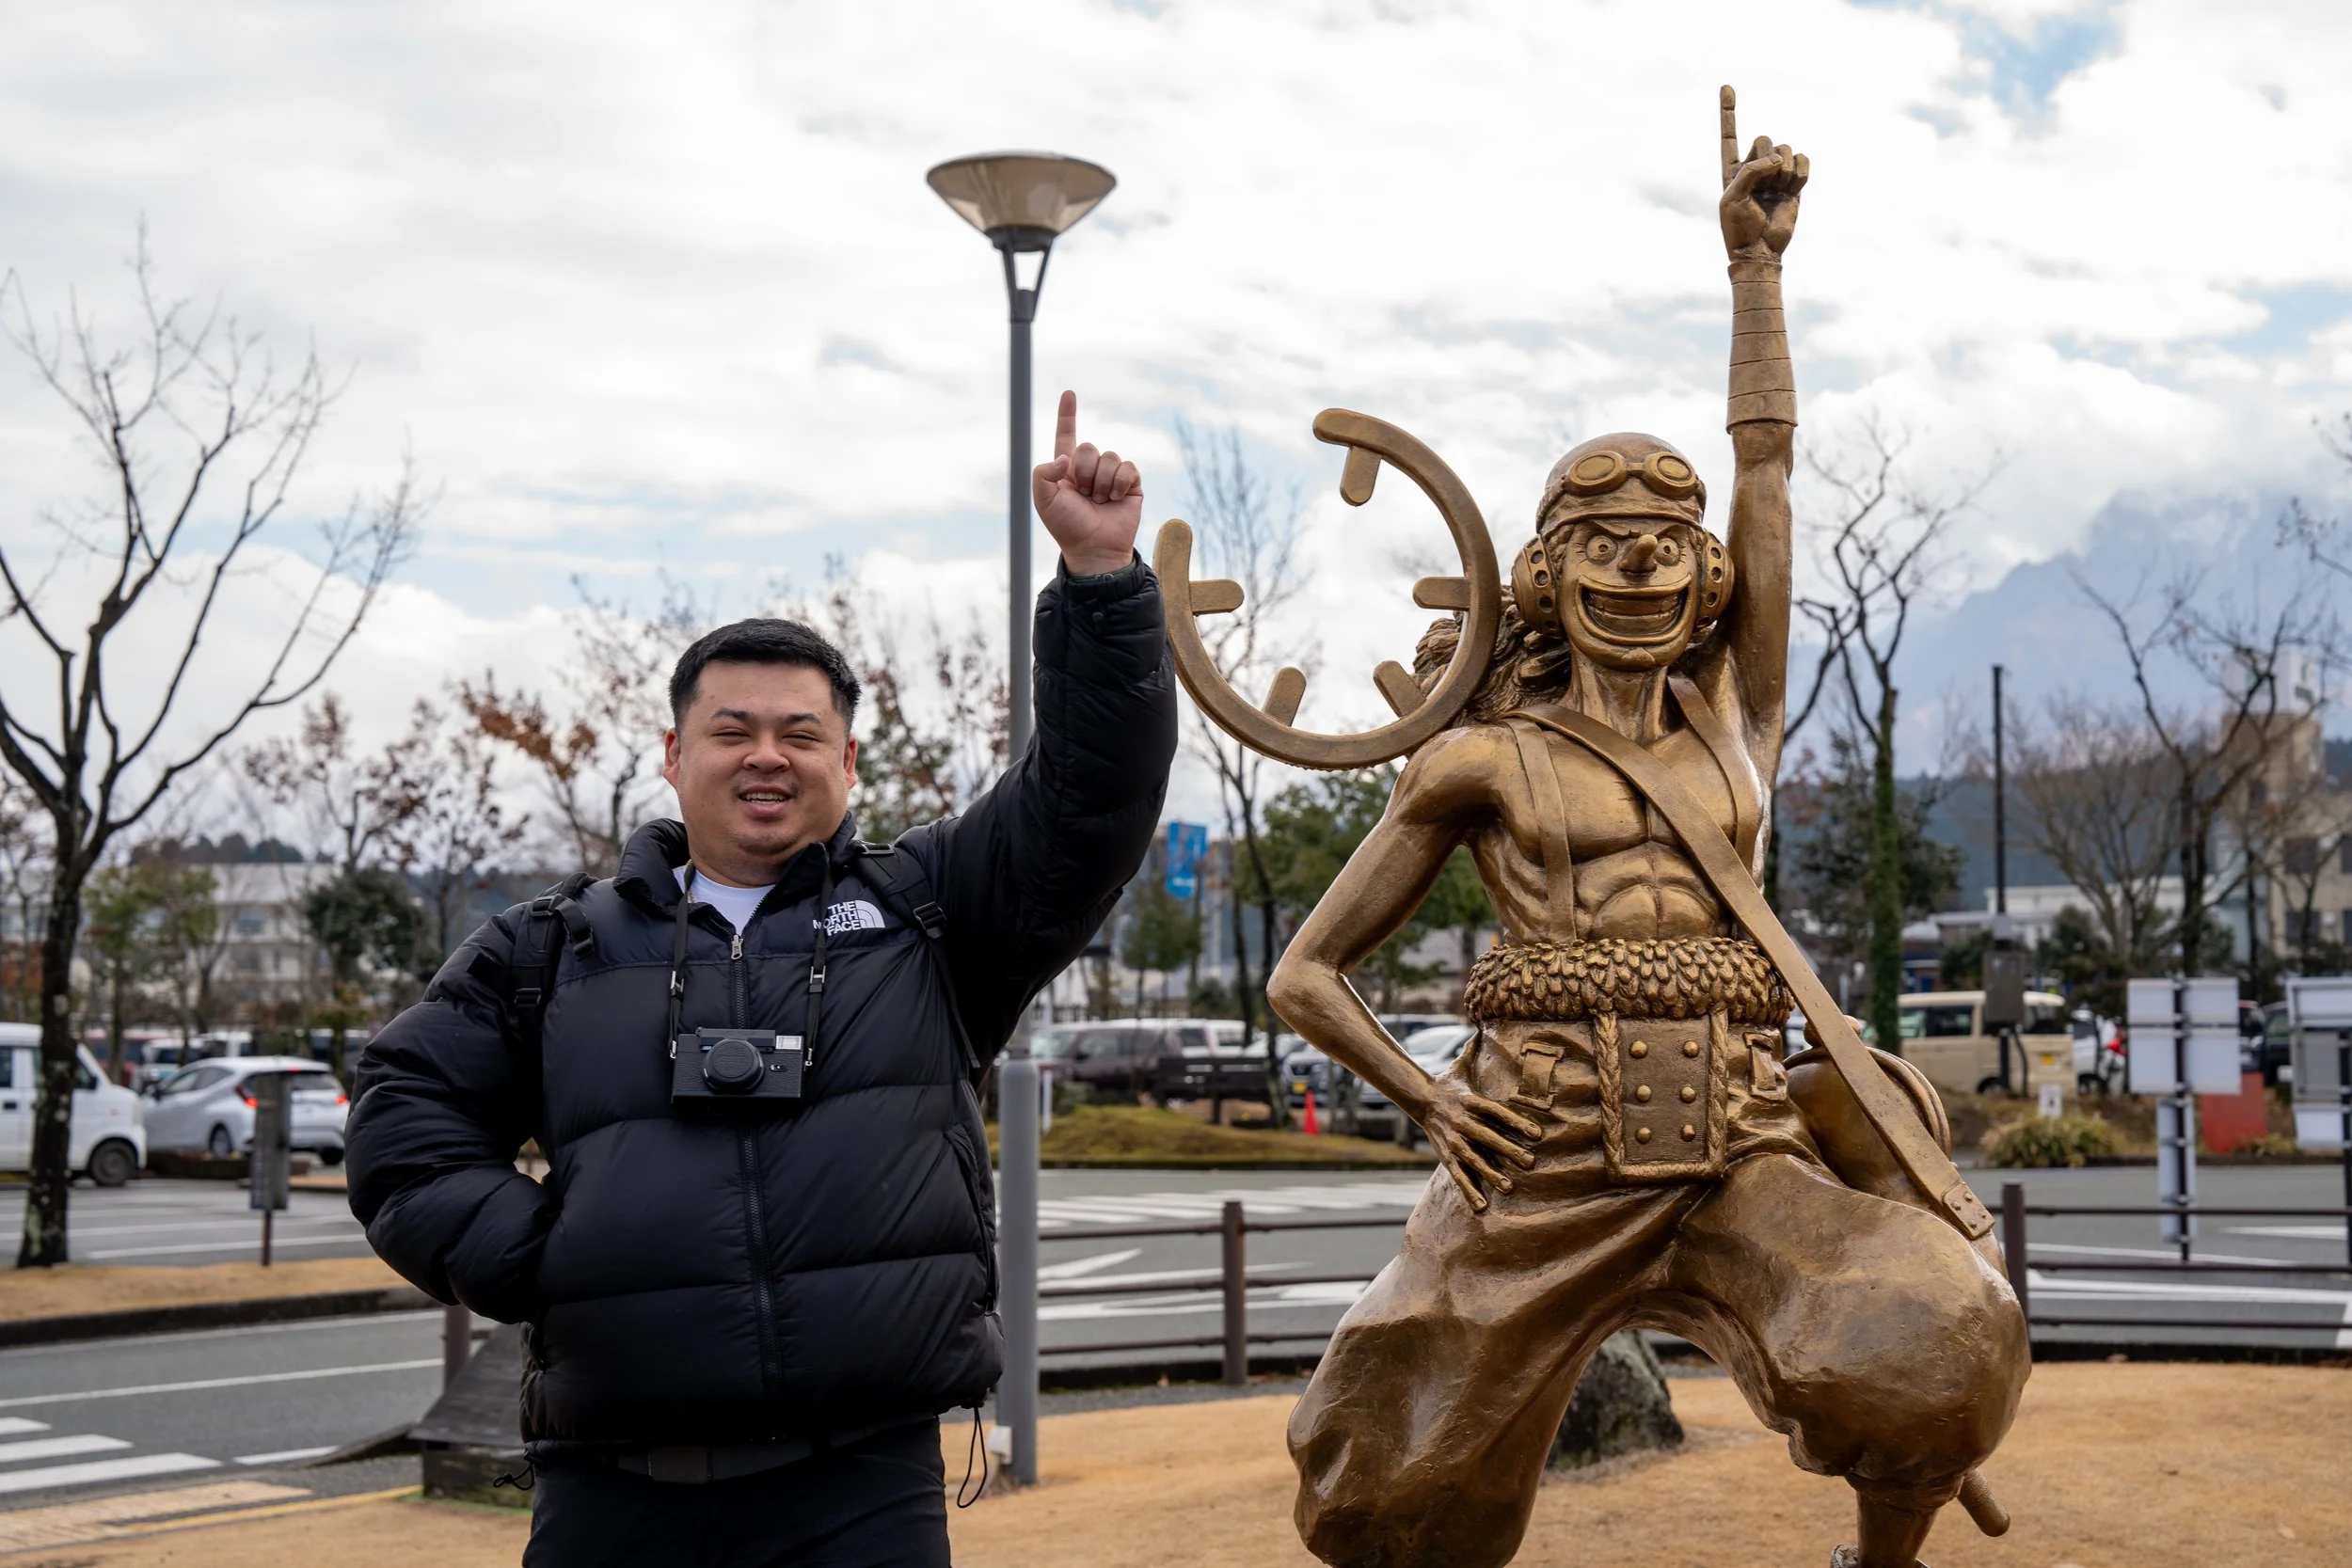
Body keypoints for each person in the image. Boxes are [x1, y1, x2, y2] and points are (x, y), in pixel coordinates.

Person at [1265, 134, 2026, 1568]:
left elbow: (1768, 464)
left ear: (1707, 572)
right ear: (1548, 572)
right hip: (1542, 1145)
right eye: (1605, 541)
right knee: (1382, 1487)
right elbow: (1305, 973)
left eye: (1668, 540)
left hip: (1738, 1136)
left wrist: (1755, 272)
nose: (1641, 563)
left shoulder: (1738, 716)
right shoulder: (1479, 757)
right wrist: (1430, 1098)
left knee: (1942, 1332)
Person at [346, 393, 1174, 1567]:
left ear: (848, 758)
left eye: (800, 732)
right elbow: (401, 1119)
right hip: (612, 1490)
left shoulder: (930, 912)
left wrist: (1099, 581)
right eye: (732, 730)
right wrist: (547, 1256)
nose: (766, 756)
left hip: (865, 1488)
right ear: (675, 754)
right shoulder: (553, 947)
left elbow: (1092, 795)